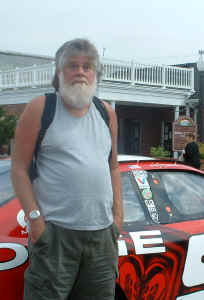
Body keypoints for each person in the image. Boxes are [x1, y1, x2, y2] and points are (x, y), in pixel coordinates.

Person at [11, 38, 123, 300]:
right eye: (73, 65)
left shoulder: (106, 112)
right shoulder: (41, 108)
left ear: (96, 73)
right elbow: (18, 169)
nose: (81, 72)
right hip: (56, 235)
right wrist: (36, 220)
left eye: (87, 66)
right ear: (59, 72)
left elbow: (114, 167)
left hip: (102, 237)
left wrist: (117, 219)